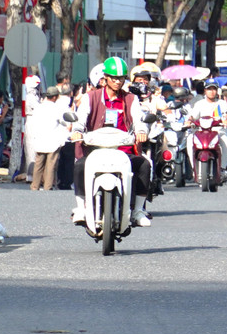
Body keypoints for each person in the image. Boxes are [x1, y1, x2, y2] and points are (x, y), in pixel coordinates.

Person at [69, 57, 153, 229]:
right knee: (79, 166)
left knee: (144, 164)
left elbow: (138, 119)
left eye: (121, 78)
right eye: (113, 78)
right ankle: (81, 208)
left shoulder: (130, 99)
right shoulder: (90, 97)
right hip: (95, 150)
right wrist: (77, 130)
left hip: (123, 150)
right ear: (105, 78)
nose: (117, 81)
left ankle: (137, 210)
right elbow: (81, 118)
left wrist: (141, 131)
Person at [189, 81, 227, 185]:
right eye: (209, 89)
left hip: (218, 130)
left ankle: (222, 168)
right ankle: (195, 169)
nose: (212, 92)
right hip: (201, 131)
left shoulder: (221, 103)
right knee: (190, 139)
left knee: (225, 140)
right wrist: (189, 121)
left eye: (214, 89)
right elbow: (192, 116)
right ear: (205, 91)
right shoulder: (199, 104)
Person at [28, 86, 66, 191]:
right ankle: (47, 187)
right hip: (52, 141)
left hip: (40, 140)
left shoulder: (39, 107)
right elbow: (63, 122)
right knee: (51, 166)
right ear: (54, 97)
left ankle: (34, 186)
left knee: (38, 165)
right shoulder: (56, 109)